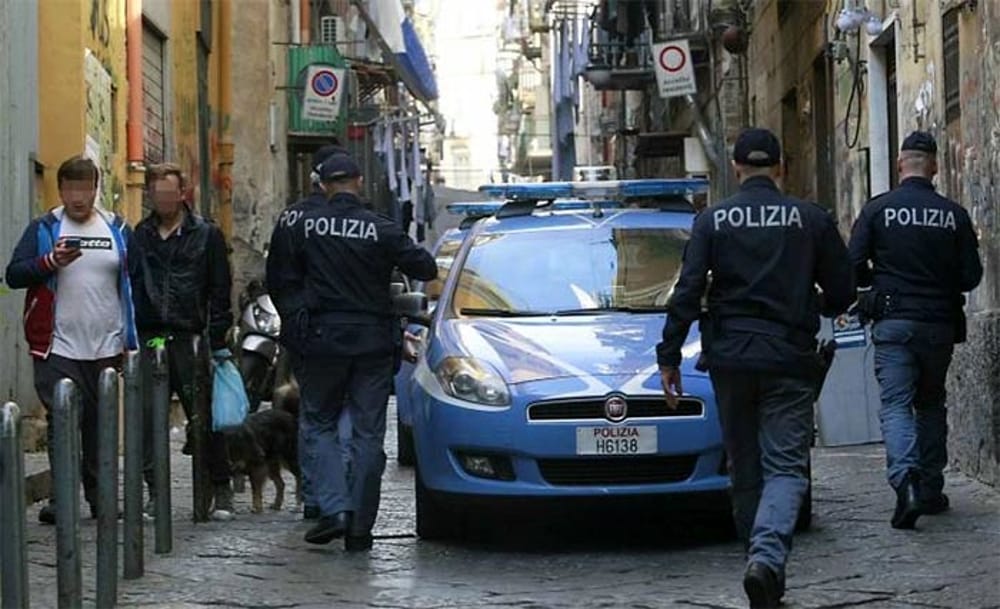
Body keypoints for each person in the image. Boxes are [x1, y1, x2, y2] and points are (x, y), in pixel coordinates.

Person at [656, 128, 854, 608]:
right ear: (780, 167)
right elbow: (844, 293)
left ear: (737, 167)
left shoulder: (712, 221)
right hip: (788, 358)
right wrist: (812, 301)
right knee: (786, 467)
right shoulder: (811, 219)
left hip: (730, 359)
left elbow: (686, 291)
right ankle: (766, 560)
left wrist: (669, 356)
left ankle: (757, 559)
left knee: (743, 463)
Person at [274, 153, 436, 551]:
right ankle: (361, 526)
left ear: (324, 185)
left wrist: (298, 322)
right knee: (368, 433)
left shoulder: (303, 226)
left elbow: (280, 278)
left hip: (322, 338)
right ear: (359, 182)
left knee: (319, 422)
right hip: (373, 342)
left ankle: (334, 507)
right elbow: (426, 265)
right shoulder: (380, 228)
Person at [848, 131, 983, 530]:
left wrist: (880, 284)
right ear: (936, 165)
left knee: (895, 404)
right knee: (929, 404)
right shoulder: (953, 214)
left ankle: (905, 481)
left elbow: (852, 264)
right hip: (938, 324)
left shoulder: (878, 210)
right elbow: (971, 276)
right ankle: (929, 488)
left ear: (899, 165)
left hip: (893, 322)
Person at [4, 155, 139, 524]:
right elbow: (14, 274)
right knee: (63, 423)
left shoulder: (117, 228)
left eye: (85, 189)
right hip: (56, 344)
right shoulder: (44, 227)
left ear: (96, 190)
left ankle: (101, 498)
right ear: (61, 190)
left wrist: (132, 340)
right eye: (71, 189)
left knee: (100, 425)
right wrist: (49, 261)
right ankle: (63, 500)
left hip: (106, 344)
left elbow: (133, 282)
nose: (79, 197)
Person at [130, 162, 236, 520]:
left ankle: (218, 488)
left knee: (203, 417)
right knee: (148, 417)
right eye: (156, 193)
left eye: (168, 192)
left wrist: (218, 337)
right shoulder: (140, 235)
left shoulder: (206, 235)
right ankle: (155, 491)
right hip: (151, 336)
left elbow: (220, 290)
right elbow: (130, 282)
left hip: (190, 335)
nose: (162, 199)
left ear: (182, 194)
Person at [266, 142, 352, 521]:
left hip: (308, 333)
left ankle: (316, 495)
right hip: (352, 334)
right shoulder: (362, 219)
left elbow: (278, 278)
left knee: (312, 415)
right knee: (346, 417)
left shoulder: (291, 218)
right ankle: (342, 496)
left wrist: (294, 319)